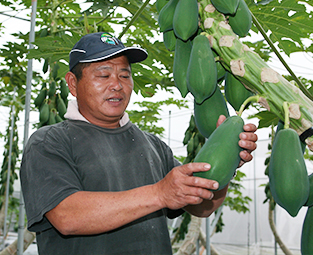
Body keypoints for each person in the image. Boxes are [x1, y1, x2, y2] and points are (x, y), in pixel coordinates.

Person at [20, 32, 258, 255]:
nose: (117, 84)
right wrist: (159, 193)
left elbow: (203, 207)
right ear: (72, 83)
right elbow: (66, 216)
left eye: (125, 75)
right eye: (104, 75)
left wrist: (226, 160)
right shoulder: (48, 142)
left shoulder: (154, 146)